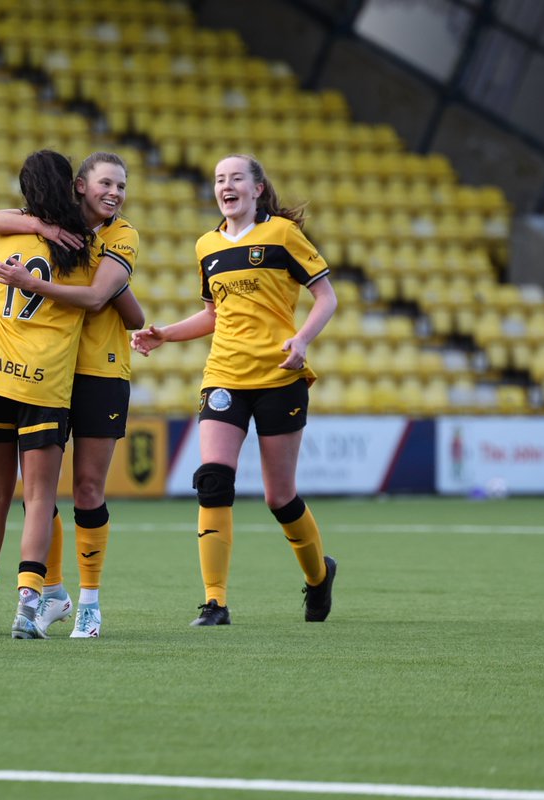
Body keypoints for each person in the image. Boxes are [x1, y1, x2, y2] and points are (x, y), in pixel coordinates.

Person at [131, 153, 339, 625]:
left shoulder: (283, 235)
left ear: (257, 188)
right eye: (219, 179)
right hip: (224, 374)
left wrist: (302, 340)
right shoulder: (206, 245)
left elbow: (326, 297)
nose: (226, 186)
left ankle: (318, 577)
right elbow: (213, 314)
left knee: (279, 497)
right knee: (213, 480)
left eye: (236, 178)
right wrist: (166, 334)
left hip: (279, 376)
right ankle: (215, 602)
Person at [0, 152, 144, 638]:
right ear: (79, 186)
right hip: (50, 372)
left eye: (121, 186)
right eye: (106, 183)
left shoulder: (121, 235)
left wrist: (32, 283)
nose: (115, 193)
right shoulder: (50, 227)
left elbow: (113, 305)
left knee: (86, 488)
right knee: (39, 493)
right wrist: (42, 229)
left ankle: (89, 602)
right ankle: (51, 592)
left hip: (98, 370)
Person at [0, 150, 96, 639]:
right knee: (39, 496)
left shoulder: (9, 232)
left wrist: (35, 225)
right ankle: (27, 604)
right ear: (71, 187)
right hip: (43, 379)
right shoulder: (85, 244)